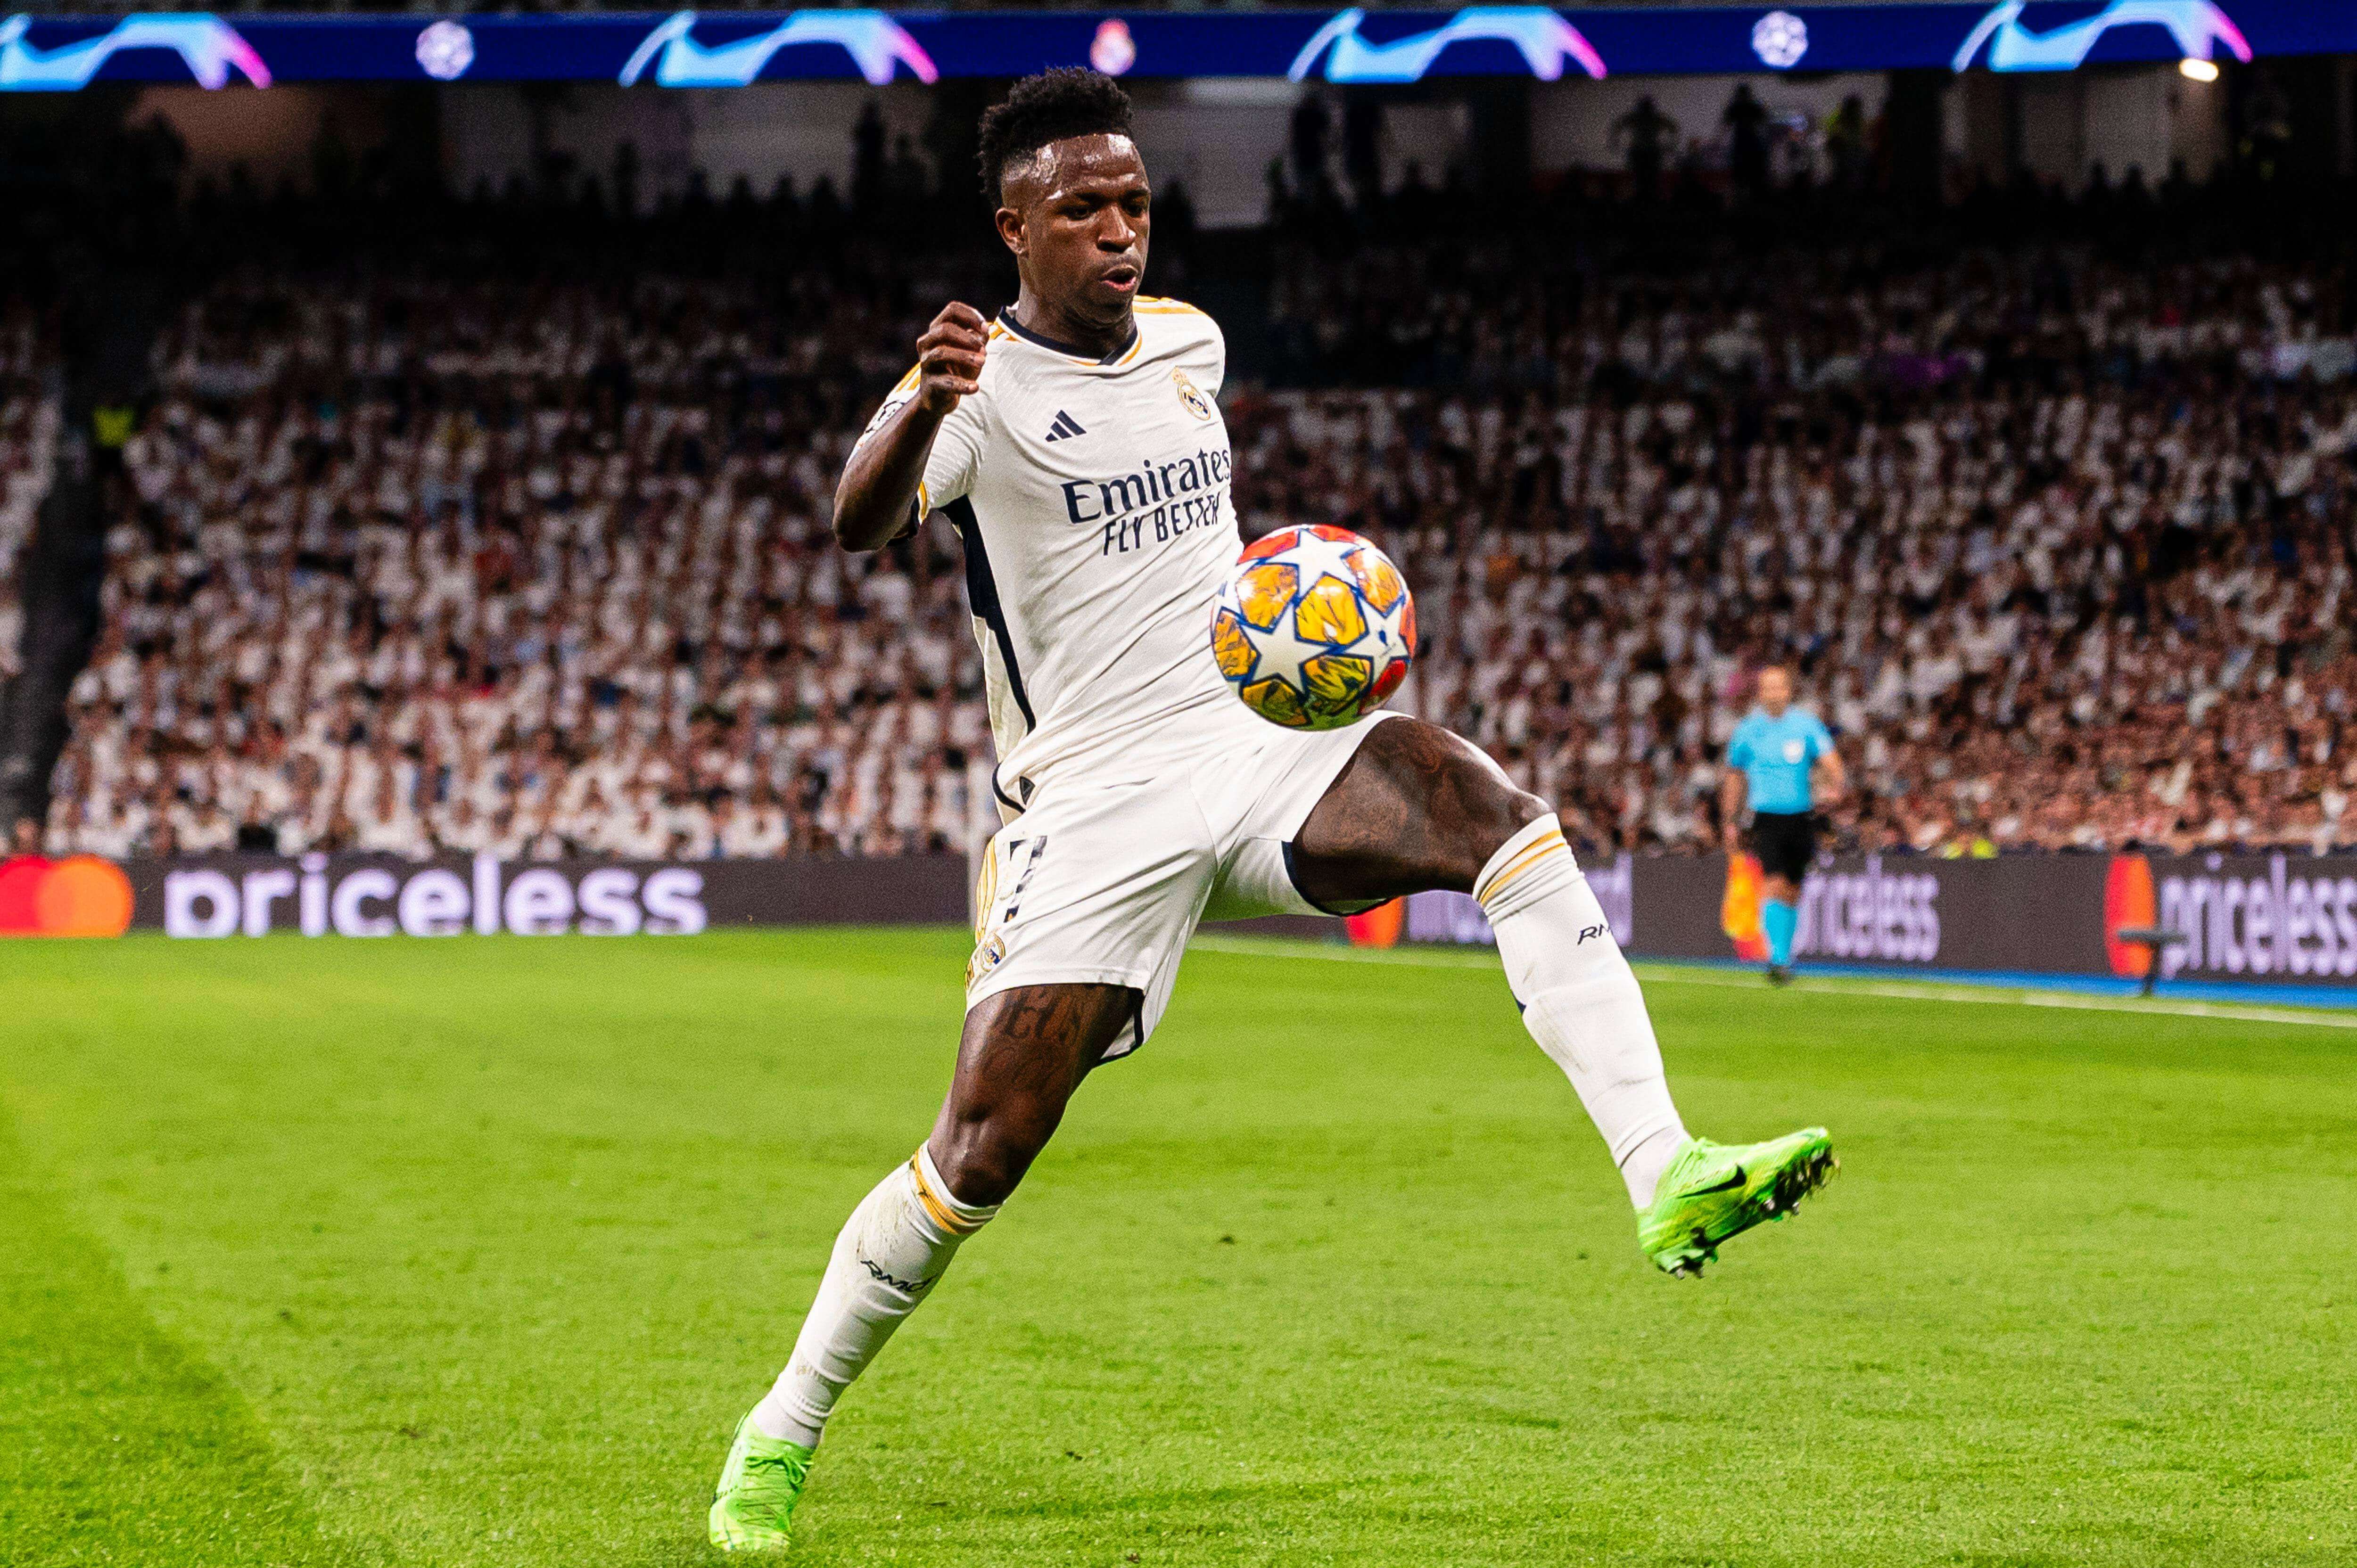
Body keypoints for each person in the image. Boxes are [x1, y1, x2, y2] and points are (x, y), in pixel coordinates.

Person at [706, 69, 1837, 1553]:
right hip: (1094, 797)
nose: (1121, 230)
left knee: (1483, 802)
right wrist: (922, 399)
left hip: (1251, 744)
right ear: (1014, 229)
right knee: (981, 1146)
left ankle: (1663, 1166)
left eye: (1134, 203)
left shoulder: (1192, 342)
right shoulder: (973, 393)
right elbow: (857, 517)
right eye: (1083, 209)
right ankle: (781, 1426)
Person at [1720, 665, 1846, 985]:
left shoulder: (1806, 725)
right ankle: (1777, 959)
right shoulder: (1748, 730)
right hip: (1766, 817)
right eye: (1768, 688)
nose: (1774, 693)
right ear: (1760, 693)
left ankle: (1785, 955)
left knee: (1793, 888)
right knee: (1773, 882)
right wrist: (1730, 819)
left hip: (1801, 817)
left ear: (1789, 691)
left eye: (1779, 687)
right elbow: (1734, 775)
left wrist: (1834, 786)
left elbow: (1831, 760)